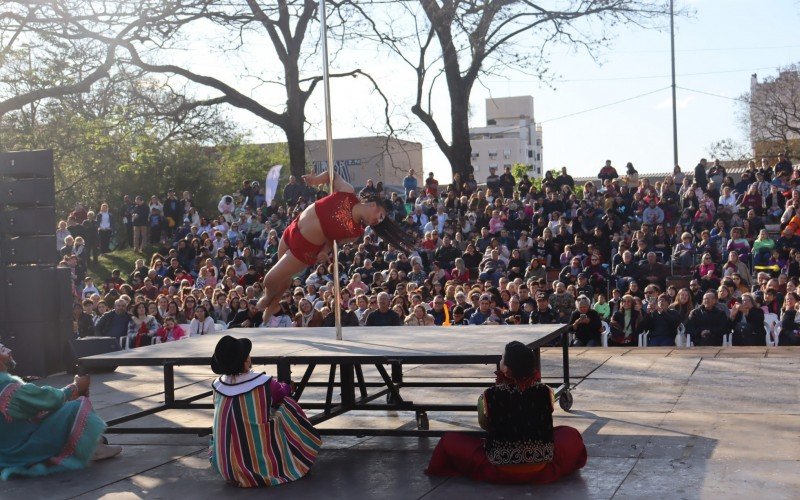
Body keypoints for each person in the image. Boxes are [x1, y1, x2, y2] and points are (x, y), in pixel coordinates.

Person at [257, 169, 416, 322]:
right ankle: (274, 302)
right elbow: (331, 175)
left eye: (380, 222)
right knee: (282, 277)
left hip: (305, 249)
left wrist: (325, 252)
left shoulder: (354, 233)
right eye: (380, 216)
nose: (377, 221)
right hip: (293, 228)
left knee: (270, 280)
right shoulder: (347, 191)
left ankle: (269, 298)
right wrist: (316, 180)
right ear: (374, 204)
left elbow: (332, 241)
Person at [426, 341, 587, 484]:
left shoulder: (489, 394)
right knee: (570, 434)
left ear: (507, 370)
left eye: (502, 358)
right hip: (540, 466)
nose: (500, 360)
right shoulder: (545, 391)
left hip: (499, 469)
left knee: (449, 440)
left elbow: (485, 425)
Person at [209, 335, 321, 487]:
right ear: (245, 361)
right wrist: (288, 385)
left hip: (225, 466)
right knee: (288, 405)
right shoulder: (263, 383)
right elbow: (282, 392)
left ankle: (235, 465)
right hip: (259, 466)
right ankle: (297, 453)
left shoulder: (218, 385)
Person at [0, 342, 121, 480]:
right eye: (3, 350)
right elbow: (49, 399)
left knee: (50, 412)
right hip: (23, 451)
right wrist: (75, 387)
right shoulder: (9, 389)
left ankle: (96, 443)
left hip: (4, 454)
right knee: (76, 406)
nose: (9, 350)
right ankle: (94, 449)